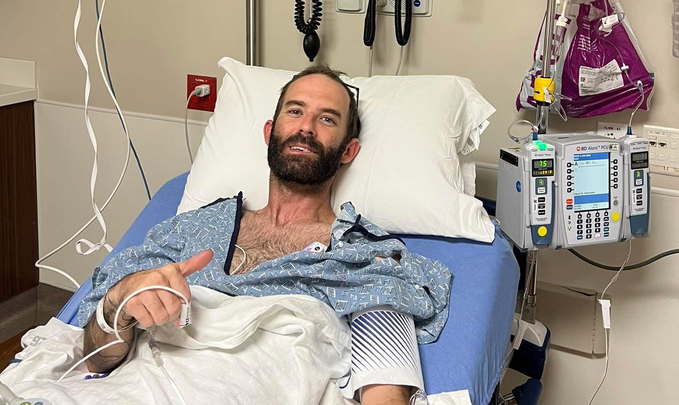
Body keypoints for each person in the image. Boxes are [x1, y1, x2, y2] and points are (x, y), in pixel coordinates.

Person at [78, 65, 449, 405]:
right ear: (270, 132)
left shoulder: (361, 255)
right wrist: (118, 302)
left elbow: (386, 384)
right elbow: (95, 360)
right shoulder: (191, 229)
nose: (306, 127)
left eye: (327, 119)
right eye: (295, 111)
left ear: (348, 151)